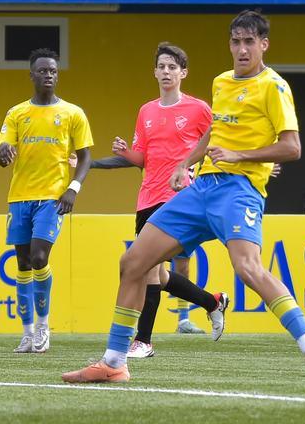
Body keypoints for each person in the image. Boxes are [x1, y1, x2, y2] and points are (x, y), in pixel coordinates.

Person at [63, 10, 305, 386]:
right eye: (236, 42)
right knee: (133, 262)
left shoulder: (274, 87)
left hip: (240, 191)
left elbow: (292, 147)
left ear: (263, 45)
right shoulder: (222, 82)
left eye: (249, 42)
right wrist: (185, 163)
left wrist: (240, 156)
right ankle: (114, 362)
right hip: (202, 188)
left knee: (248, 269)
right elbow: (214, 132)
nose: (242, 49)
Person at [88, 42, 230, 359]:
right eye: (161, 66)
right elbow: (144, 158)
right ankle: (213, 301)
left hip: (178, 197)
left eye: (172, 67)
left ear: (183, 73)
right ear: (154, 72)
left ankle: (144, 341)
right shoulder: (146, 111)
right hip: (146, 196)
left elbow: (219, 140)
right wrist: (126, 153)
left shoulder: (198, 109)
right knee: (160, 275)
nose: (166, 72)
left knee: (149, 269)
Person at [0, 48, 93, 354]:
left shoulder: (73, 113)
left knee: (39, 258)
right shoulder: (17, 113)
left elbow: (86, 155)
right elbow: (2, 150)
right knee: (23, 263)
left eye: (53, 71)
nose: (48, 75)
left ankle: (43, 327)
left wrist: (73, 187)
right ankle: (26, 332)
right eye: (42, 71)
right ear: (32, 75)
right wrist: (2, 153)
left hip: (52, 197)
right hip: (20, 197)